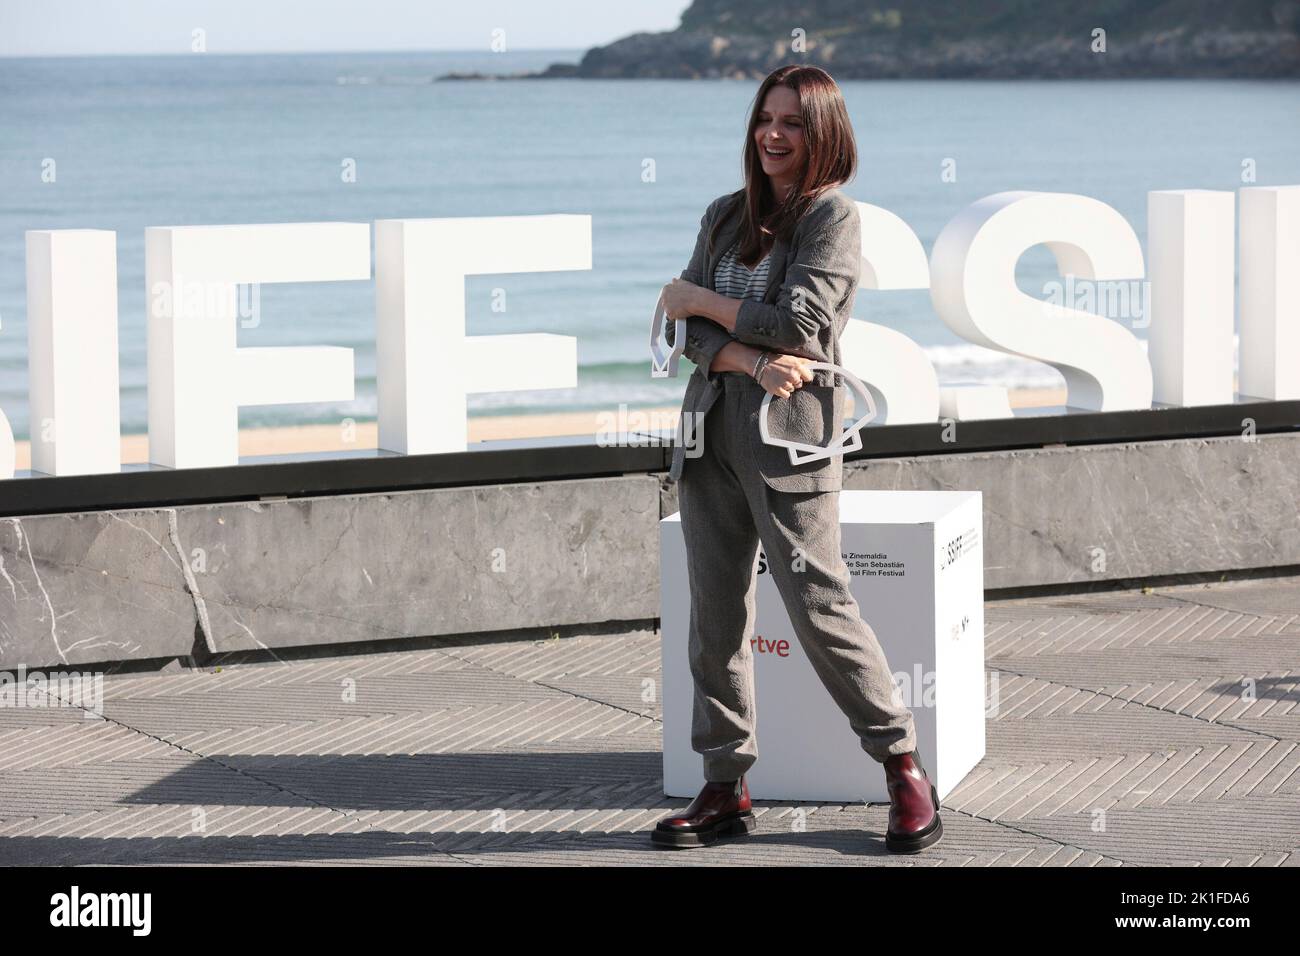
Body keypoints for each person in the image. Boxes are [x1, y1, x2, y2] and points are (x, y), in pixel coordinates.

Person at [651, 65, 942, 853]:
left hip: (790, 441)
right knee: (715, 617)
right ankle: (725, 785)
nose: (773, 134)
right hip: (711, 430)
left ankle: (903, 767)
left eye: (793, 123)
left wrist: (699, 299)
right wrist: (741, 358)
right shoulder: (724, 214)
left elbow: (801, 326)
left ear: (824, 134)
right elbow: (690, 343)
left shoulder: (832, 219)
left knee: (819, 604)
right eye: (765, 119)